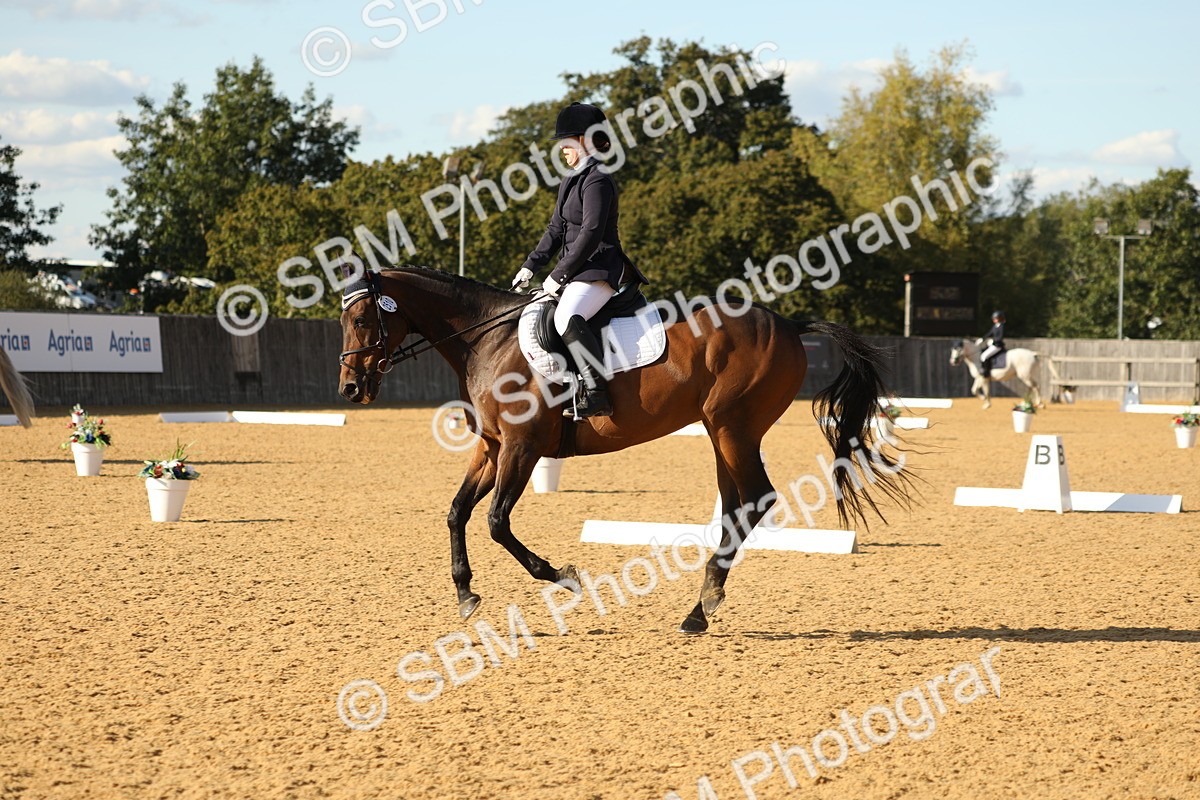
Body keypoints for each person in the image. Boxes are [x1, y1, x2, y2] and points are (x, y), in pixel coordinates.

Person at [511, 101, 649, 418]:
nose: (562, 148)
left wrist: (558, 274)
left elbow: (590, 233)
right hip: (576, 272)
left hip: (600, 269)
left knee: (566, 317)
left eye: (567, 141)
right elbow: (556, 228)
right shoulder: (571, 180)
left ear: (584, 140)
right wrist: (530, 265)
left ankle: (598, 393)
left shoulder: (598, 180)